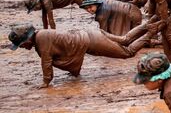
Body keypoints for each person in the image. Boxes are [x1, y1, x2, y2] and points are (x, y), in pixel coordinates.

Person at [8, 24, 145, 88]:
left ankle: (151, 32)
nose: (22, 47)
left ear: (27, 40)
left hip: (91, 41)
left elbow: (46, 62)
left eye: (21, 44)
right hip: (90, 36)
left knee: (128, 53)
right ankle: (151, 25)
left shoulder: (42, 40)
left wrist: (46, 82)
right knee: (124, 40)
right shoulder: (41, 35)